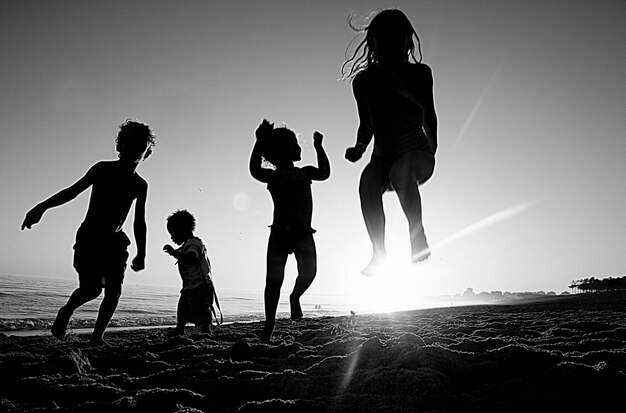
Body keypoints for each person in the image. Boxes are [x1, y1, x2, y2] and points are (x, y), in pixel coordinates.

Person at [21, 119, 156, 345]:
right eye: (128, 143)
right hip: (89, 239)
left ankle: (97, 337)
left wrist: (141, 253)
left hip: (116, 243)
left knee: (114, 291)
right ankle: (66, 312)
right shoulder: (102, 169)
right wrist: (41, 207)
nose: (133, 148)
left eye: (139, 144)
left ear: (147, 153)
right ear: (119, 146)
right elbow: (72, 191)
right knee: (91, 289)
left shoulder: (140, 185)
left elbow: (139, 221)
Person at [342, 9, 438, 276]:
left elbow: (429, 113)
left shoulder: (420, 74)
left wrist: (433, 147)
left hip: (417, 154)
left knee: (401, 171)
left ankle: (417, 237)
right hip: (382, 159)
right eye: (383, 40)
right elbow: (366, 125)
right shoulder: (363, 81)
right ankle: (378, 254)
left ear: (407, 42)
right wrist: (359, 148)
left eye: (397, 39)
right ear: (373, 43)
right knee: (367, 182)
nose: (390, 46)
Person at [249, 119, 330, 341]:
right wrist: (259, 142)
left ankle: (295, 297)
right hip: (279, 235)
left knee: (309, 272)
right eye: (295, 143)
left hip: (304, 233)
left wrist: (319, 147)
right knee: (273, 280)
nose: (299, 146)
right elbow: (255, 169)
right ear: (283, 151)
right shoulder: (273, 175)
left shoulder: (306, 172)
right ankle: (269, 326)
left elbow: (324, 172)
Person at [163, 209, 218, 336]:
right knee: (182, 308)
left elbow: (191, 258)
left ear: (183, 229)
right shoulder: (186, 245)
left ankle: (206, 330)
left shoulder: (194, 244)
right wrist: (176, 253)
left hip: (201, 286)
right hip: (189, 286)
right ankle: (180, 328)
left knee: (203, 310)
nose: (172, 237)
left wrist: (174, 253)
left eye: (173, 233)